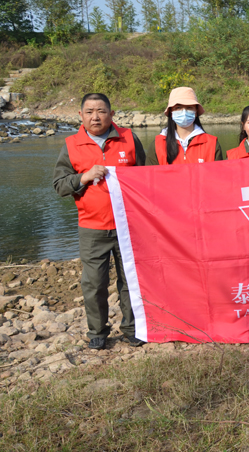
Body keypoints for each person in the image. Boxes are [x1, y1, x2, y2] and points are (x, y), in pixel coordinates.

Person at [53, 93, 146, 350]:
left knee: (130, 280)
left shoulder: (129, 138)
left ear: (112, 114)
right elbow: (59, 185)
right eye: (90, 111)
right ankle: (97, 331)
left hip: (129, 225)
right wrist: (83, 177)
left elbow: (145, 177)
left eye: (102, 111)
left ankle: (132, 328)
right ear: (80, 116)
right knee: (94, 283)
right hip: (92, 226)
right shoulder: (71, 145)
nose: (96, 116)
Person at [145, 87, 224, 165]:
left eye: (189, 107)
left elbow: (217, 175)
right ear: (171, 113)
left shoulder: (212, 143)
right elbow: (150, 176)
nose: (184, 112)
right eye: (178, 108)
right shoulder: (157, 145)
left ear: (196, 112)